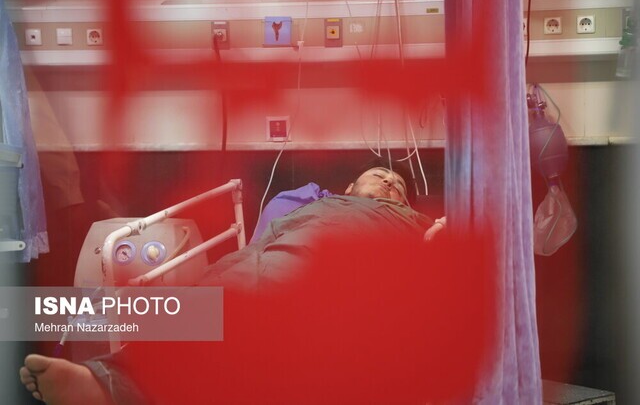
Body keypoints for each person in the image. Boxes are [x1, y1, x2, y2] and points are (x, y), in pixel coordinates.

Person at [20, 162, 447, 405]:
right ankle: (106, 381)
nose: (389, 181)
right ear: (349, 187)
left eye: (398, 184)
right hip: (266, 254)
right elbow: (271, 237)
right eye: (379, 174)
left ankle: (118, 386)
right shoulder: (314, 204)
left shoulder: (412, 221)